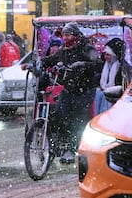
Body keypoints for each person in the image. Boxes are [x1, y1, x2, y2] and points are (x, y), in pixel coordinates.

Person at [22, 22, 101, 164]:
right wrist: (35, 64)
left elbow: (98, 64)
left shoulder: (87, 48)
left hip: (84, 91)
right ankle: (58, 146)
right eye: (64, 35)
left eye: (68, 34)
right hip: (68, 89)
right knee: (59, 115)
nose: (65, 38)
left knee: (77, 120)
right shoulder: (63, 50)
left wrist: (82, 65)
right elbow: (50, 60)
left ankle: (72, 149)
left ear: (76, 35)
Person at [94, 38, 124, 116]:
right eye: (105, 54)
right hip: (103, 98)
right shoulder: (103, 65)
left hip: (115, 101)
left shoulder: (122, 68)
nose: (106, 57)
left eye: (108, 54)